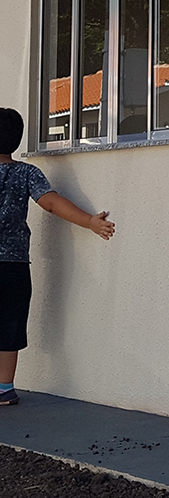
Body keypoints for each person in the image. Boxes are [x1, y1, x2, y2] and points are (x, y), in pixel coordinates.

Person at [0, 107, 115, 407]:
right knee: (9, 323)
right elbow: (51, 203)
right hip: (12, 264)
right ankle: (4, 388)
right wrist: (90, 221)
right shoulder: (26, 172)